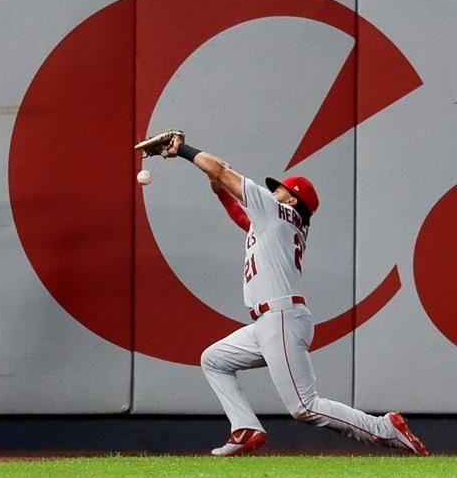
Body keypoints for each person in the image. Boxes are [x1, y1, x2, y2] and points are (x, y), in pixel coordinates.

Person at [159, 132, 430, 457]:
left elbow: (220, 172)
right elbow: (239, 213)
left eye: (279, 189)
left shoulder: (277, 212)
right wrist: (218, 187)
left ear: (290, 200)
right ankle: (245, 428)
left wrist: (183, 151)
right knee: (214, 360)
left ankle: (384, 428)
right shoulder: (275, 221)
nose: (272, 191)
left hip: (282, 318)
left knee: (304, 406)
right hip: (269, 322)